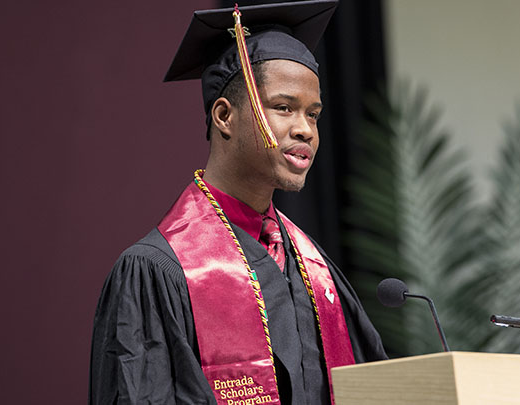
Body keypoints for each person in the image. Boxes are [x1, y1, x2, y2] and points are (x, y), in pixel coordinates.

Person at [89, 1, 387, 404]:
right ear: (225, 116)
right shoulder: (157, 272)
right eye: (284, 108)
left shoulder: (315, 269)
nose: (305, 130)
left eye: (313, 115)